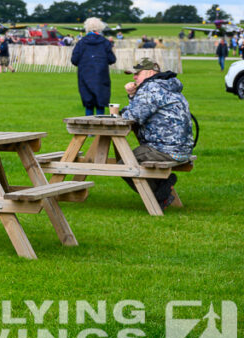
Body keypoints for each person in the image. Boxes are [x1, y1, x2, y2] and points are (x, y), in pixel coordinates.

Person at [115, 58, 194, 209]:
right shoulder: (167, 85)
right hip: (182, 149)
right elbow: (141, 111)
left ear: (150, 72)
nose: (134, 77)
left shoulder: (151, 88)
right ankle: (163, 187)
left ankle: (160, 195)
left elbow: (133, 116)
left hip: (166, 149)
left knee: (124, 164)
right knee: (132, 158)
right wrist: (133, 96)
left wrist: (122, 110)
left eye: (137, 73)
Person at [70, 17, 116, 115]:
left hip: (85, 75)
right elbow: (112, 59)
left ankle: (88, 128)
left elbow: (74, 60)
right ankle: (100, 128)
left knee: (89, 104)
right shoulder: (105, 42)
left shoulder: (81, 43)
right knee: (100, 103)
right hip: (101, 76)